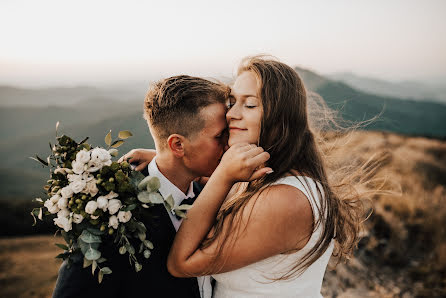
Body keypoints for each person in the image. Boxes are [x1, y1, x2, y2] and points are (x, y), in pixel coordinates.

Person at [128, 56, 367, 297]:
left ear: (281, 118)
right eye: (232, 101)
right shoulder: (260, 174)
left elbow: (181, 263)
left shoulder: (286, 199)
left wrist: (222, 176)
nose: (231, 114)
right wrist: (168, 157)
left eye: (250, 105)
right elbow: (211, 186)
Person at [52, 75, 268, 298]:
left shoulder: (215, 193)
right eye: (220, 136)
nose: (230, 143)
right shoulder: (112, 218)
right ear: (178, 145)